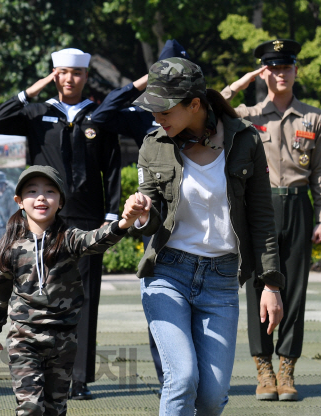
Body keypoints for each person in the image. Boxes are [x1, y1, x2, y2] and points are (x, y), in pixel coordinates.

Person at [128, 58, 285, 415]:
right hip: (167, 273)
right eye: (152, 108)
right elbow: (151, 219)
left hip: (221, 281)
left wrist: (271, 285)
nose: (157, 117)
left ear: (194, 105)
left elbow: (262, 218)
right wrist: (139, 216)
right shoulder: (153, 144)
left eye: (164, 109)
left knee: (212, 398)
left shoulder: (245, 139)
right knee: (182, 379)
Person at [0, 48, 122, 400]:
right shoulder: (38, 111)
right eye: (62, 72)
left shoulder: (98, 115)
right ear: (53, 74)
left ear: (86, 76)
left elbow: (112, 164)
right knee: (40, 293)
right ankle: (39, 368)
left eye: (76, 73)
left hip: (87, 217)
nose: (69, 79)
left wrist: (111, 212)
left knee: (85, 297)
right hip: (43, 219)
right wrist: (34, 89)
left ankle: (78, 377)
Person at [0, 165, 148, 416]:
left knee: (55, 408)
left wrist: (124, 222)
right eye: (32, 191)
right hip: (24, 338)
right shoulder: (9, 246)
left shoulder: (69, 239)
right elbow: (0, 290)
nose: (41, 197)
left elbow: (97, 239)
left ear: (60, 202)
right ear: (19, 201)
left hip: (63, 339)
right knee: (29, 407)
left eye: (50, 191)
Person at [221, 39, 321, 401]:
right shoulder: (248, 116)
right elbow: (213, 107)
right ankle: (263, 369)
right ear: (262, 72)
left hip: (298, 206)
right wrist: (243, 80)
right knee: (257, 286)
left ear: (296, 70)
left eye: (286, 66)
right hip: (259, 207)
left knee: (294, 289)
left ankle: (287, 368)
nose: (280, 73)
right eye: (272, 67)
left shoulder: (314, 117)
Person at [92, 39, 190, 394]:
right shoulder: (143, 116)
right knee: (161, 303)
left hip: (198, 222)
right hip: (158, 224)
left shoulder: (199, 112)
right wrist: (140, 84)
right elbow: (100, 116)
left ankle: (192, 378)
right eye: (163, 74)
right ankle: (168, 378)